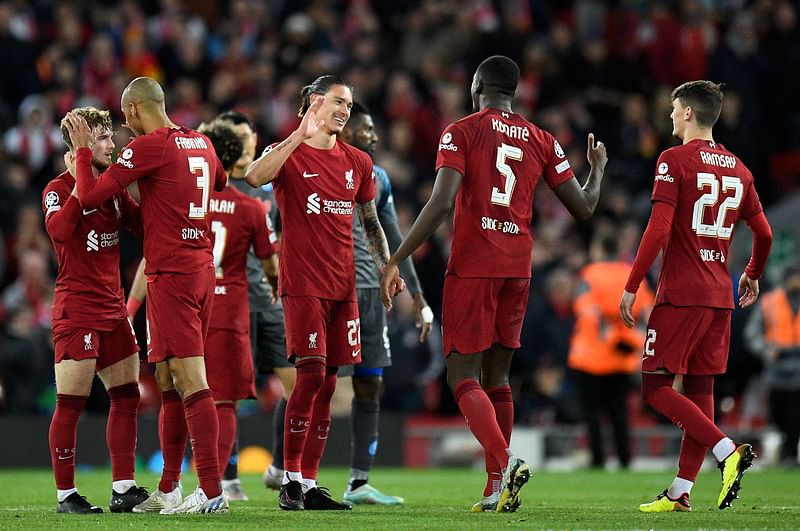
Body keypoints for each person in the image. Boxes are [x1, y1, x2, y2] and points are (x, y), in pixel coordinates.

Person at [380, 55, 608, 513]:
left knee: (462, 376)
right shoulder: (543, 139)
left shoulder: (461, 131)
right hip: (518, 268)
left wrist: (397, 257)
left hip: (474, 264)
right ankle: (493, 489)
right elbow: (583, 207)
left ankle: (503, 465)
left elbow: (442, 201)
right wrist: (597, 168)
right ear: (514, 91)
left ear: (478, 85)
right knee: (498, 377)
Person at [63, 77, 229, 514]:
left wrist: (82, 153)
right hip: (201, 269)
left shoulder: (147, 146)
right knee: (170, 378)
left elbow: (93, 194)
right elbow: (220, 182)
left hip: (171, 274)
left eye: (124, 118)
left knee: (191, 378)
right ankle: (170, 487)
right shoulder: (201, 142)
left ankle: (212, 491)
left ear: (134, 111)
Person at [619, 80, 773, 512]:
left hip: (682, 293)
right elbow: (764, 233)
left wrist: (632, 285)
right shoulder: (740, 169)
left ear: (688, 113)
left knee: (654, 387)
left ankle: (727, 452)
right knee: (701, 388)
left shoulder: (674, 161)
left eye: (673, 109)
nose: (669, 116)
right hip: (720, 295)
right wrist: (753, 274)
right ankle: (680, 491)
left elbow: (659, 228)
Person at [245, 75, 394, 511]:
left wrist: (386, 267)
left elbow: (369, 222)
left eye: (349, 104)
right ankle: (291, 481)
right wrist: (297, 135)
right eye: (338, 101)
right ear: (314, 102)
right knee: (310, 377)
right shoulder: (288, 153)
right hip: (303, 285)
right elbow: (255, 176)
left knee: (328, 385)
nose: (345, 110)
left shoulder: (358, 162)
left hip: (343, 288)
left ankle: (307, 484)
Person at [43, 106, 148, 514]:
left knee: (127, 396)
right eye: (103, 137)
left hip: (114, 309)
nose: (112, 143)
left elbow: (141, 225)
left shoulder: (111, 190)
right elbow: (59, 231)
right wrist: (79, 175)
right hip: (78, 310)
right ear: (83, 145)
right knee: (71, 402)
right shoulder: (56, 188)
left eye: (110, 135)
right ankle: (66, 495)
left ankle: (123, 488)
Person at [338, 102, 432, 505]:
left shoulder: (379, 178)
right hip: (329, 290)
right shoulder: (316, 165)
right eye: (365, 129)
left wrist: (418, 294)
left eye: (375, 129)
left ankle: (358, 482)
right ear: (342, 130)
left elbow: (396, 240)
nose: (374, 136)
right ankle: (289, 473)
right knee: (313, 383)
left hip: (371, 295)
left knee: (370, 381)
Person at [215, 110, 295, 496]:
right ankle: (227, 477)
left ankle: (282, 467)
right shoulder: (214, 187)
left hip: (270, 301)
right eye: (241, 136)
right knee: (227, 392)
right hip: (231, 300)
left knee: (299, 385)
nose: (248, 140)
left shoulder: (266, 188)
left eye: (250, 133)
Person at [568, 234, 654, 470]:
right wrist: (633, 342)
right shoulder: (633, 275)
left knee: (593, 415)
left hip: (589, 357)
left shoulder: (590, 274)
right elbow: (647, 312)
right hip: (622, 357)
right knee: (619, 412)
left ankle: (598, 460)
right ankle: (625, 458)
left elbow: (585, 310)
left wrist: (607, 336)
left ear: (599, 249)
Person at [744, 263, 800, 467]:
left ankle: (790, 455)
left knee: (795, 416)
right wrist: (766, 350)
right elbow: (752, 334)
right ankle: (781, 453)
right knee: (778, 414)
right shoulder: (770, 302)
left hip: (798, 369)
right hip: (777, 371)